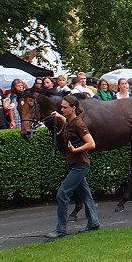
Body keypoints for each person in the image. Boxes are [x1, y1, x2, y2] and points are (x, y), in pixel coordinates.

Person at [44, 94, 100, 238]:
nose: (61, 109)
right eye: (61, 107)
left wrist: (76, 150)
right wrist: (59, 117)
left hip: (80, 165)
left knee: (62, 194)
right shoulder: (70, 121)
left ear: (73, 108)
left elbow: (91, 143)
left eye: (64, 107)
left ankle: (60, 229)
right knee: (86, 196)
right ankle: (93, 222)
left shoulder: (79, 124)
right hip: (74, 164)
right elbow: (68, 123)